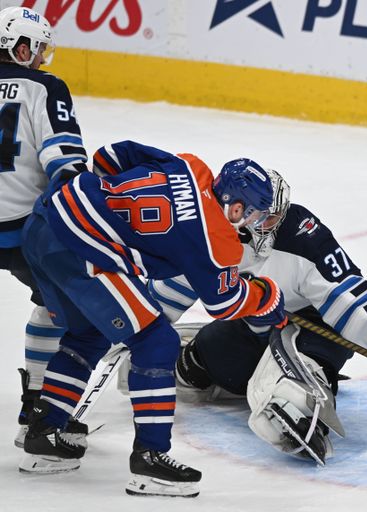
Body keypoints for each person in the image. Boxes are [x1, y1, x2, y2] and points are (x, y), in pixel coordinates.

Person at [146, 161, 367, 465]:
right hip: (254, 324)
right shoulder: (205, 236)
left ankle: (306, 393)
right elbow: (171, 290)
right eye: (268, 218)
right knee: (197, 363)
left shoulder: (302, 234)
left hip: (314, 324)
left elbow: (347, 297)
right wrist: (137, 325)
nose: (277, 222)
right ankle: (201, 356)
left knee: (298, 356)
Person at [19, 141, 287, 498]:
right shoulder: (215, 238)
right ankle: (151, 459)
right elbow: (224, 304)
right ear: (235, 208)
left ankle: (44, 433)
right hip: (82, 250)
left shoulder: (191, 166)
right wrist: (266, 297)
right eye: (255, 214)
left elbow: (112, 155)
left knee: (89, 334)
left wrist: (110, 208)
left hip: (43, 222)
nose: (257, 223)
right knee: (156, 341)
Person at [0, 6, 91, 447]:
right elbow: (65, 163)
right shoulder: (44, 87)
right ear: (20, 48)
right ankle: (38, 405)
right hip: (24, 231)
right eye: (36, 51)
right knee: (64, 308)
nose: (39, 60)